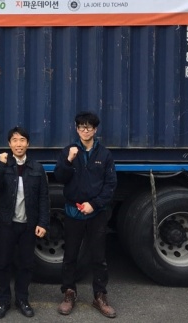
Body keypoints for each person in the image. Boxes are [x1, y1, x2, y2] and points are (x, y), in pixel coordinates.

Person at [54, 111, 117, 319]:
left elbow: (110, 185)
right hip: (73, 212)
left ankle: (99, 296)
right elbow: (60, 177)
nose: (85, 130)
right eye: (81, 127)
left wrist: (94, 204)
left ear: (95, 130)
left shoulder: (104, 155)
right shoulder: (68, 151)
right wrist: (68, 161)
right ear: (76, 129)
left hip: (96, 212)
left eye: (89, 127)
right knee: (70, 255)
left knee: (99, 257)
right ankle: (69, 293)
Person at [0, 126, 50, 319]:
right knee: (3, 263)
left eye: (22, 140)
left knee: (26, 264)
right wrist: (0, 165)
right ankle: (3, 300)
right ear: (9, 144)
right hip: (8, 224)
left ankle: (22, 299)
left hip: (28, 225)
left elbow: (44, 197)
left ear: (28, 143)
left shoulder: (37, 168)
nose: (18, 144)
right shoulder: (4, 165)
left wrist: (43, 223)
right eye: (14, 140)